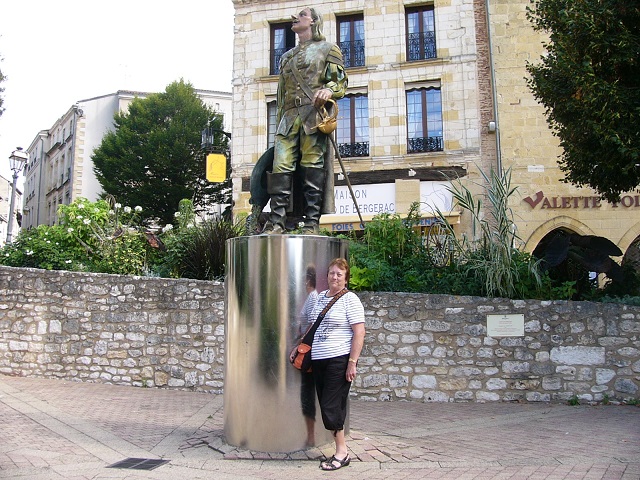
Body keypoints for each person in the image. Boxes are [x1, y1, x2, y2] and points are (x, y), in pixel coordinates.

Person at [263, 7, 348, 235]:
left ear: (313, 22)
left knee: (313, 167)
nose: (295, 18)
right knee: (280, 167)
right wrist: (279, 120)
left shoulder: (329, 49)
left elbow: (340, 82)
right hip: (288, 118)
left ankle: (312, 224)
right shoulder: (286, 57)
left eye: (301, 15)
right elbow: (281, 96)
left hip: (313, 116)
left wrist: (328, 91)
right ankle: (277, 223)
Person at [310, 258, 365, 471]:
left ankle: (342, 452)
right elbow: (313, 326)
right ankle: (340, 449)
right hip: (319, 360)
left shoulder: (350, 300)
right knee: (327, 404)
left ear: (346, 278)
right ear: (327, 276)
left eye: (339, 274)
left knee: (332, 405)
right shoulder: (321, 298)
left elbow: (359, 333)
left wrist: (352, 362)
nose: (335, 277)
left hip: (338, 360)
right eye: (332, 273)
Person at [297, 264, 319, 446]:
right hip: (308, 348)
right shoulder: (311, 297)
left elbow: (312, 322)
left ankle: (311, 435)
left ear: (307, 280)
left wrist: (301, 341)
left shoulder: (313, 297)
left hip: (308, 351)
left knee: (308, 391)